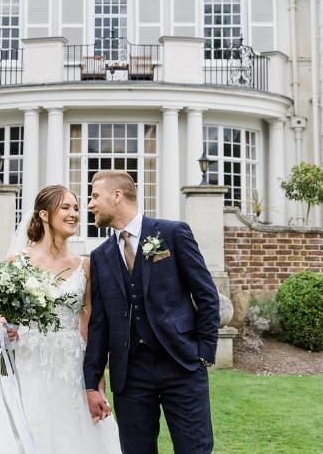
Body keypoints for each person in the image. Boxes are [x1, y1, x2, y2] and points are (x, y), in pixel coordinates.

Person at [0, 185, 122, 453]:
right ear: (44, 214)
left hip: (70, 366)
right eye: (65, 207)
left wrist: (96, 385)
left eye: (76, 208)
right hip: (27, 361)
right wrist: (3, 328)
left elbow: (88, 326)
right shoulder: (19, 260)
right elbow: (2, 316)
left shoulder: (84, 265)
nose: (74, 214)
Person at [83, 170, 220, 454]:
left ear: (117, 196)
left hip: (181, 363)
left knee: (195, 449)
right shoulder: (100, 256)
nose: (90, 205)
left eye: (95, 196)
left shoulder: (172, 233)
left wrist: (204, 352)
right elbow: (99, 325)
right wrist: (91, 384)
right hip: (130, 374)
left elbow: (206, 294)